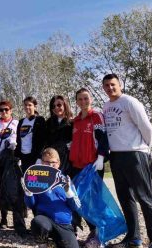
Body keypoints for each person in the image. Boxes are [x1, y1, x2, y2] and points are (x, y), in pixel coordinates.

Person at [102, 74, 152, 248]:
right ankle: (133, 237)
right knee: (125, 198)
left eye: (112, 84)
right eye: (106, 85)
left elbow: (146, 128)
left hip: (135, 154)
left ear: (119, 85)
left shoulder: (130, 102)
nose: (110, 88)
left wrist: (144, 148)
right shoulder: (106, 106)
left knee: (144, 197)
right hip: (116, 156)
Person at [69, 88, 109, 246]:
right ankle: (94, 231)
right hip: (77, 166)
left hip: (92, 165)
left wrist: (101, 157)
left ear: (90, 99)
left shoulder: (96, 116)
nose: (83, 102)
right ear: (77, 101)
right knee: (80, 201)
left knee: (94, 201)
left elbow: (103, 138)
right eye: (80, 99)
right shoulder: (76, 120)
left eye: (86, 98)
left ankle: (100, 235)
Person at [24, 148, 81, 248]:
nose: (50, 165)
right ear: (42, 163)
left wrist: (68, 191)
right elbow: (31, 204)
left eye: (53, 162)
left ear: (58, 163)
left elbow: (75, 206)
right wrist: (28, 193)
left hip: (64, 223)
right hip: (45, 220)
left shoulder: (65, 180)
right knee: (37, 222)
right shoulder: (37, 181)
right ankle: (43, 244)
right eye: (47, 162)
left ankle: (56, 243)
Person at [0, 100, 26, 237]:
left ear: (11, 110)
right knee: (3, 188)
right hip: (1, 161)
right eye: (1, 110)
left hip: (15, 160)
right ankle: (4, 217)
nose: (4, 112)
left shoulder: (17, 123)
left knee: (18, 188)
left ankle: (20, 216)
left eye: (6, 109)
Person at [41, 95, 73, 175]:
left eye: (59, 105)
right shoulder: (48, 122)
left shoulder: (72, 122)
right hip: (51, 160)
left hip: (67, 160)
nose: (56, 108)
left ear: (65, 105)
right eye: (53, 106)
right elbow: (44, 141)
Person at [16, 96, 46, 174]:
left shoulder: (40, 120)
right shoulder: (21, 121)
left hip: (34, 156)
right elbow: (18, 140)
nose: (27, 107)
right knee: (24, 180)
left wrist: (39, 157)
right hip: (23, 156)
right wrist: (17, 156)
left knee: (34, 180)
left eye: (30, 105)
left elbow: (43, 140)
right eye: (25, 105)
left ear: (35, 106)